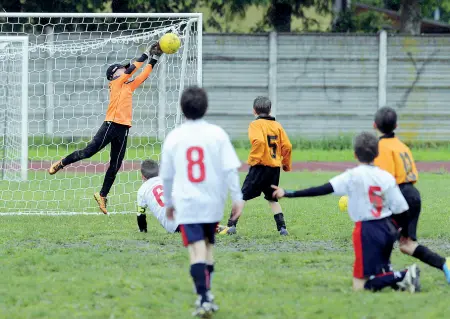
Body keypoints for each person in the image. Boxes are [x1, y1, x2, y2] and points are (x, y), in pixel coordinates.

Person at [272, 132, 421, 293]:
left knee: (360, 286)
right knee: (379, 271)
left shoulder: (352, 176)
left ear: (355, 154)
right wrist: (401, 231)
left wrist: (288, 193)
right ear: (377, 154)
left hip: (367, 231)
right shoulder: (386, 177)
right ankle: (399, 280)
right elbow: (402, 209)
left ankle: (404, 275)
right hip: (387, 229)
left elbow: (322, 189)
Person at [48, 43, 163, 214]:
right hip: (111, 125)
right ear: (113, 75)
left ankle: (102, 195)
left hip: (124, 129)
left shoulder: (128, 86)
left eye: (124, 69)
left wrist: (155, 57)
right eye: (121, 69)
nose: (125, 70)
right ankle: (62, 163)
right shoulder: (116, 83)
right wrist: (147, 52)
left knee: (115, 164)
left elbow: (143, 74)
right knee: (88, 152)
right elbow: (133, 69)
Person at [160, 86, 244, 317]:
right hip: (213, 202)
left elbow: (166, 176)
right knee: (208, 249)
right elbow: (230, 169)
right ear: (206, 108)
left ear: (182, 109)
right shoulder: (217, 134)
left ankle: (203, 298)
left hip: (187, 202)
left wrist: (168, 202)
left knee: (196, 252)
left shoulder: (174, 136)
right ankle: (207, 295)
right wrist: (237, 197)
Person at [373, 106, 450, 282]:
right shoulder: (402, 146)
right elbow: (412, 174)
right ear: (396, 126)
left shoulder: (381, 147)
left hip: (399, 197)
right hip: (413, 195)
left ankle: (384, 277)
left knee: (379, 237)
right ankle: (444, 263)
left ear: (374, 125)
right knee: (406, 244)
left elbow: (385, 180)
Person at [224, 96, 292, 236]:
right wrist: (285, 164)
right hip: (274, 169)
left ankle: (231, 226)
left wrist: (254, 159)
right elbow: (287, 146)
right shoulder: (277, 125)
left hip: (260, 167)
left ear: (254, 110)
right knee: (272, 198)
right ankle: (282, 228)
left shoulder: (255, 125)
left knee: (242, 196)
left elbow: (259, 141)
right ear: (270, 110)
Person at [137, 159, 228, 235]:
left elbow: (141, 215)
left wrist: (143, 231)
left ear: (142, 176)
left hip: (173, 224)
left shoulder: (142, 190)